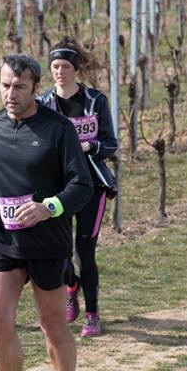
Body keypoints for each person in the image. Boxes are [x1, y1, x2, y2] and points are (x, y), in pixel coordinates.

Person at [0, 54, 93, 371]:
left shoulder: (58, 129)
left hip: (47, 241)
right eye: (5, 85)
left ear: (35, 88)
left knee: (52, 325)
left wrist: (48, 208)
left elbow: (81, 185)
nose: (10, 94)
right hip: (3, 241)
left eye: (19, 87)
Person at [38, 39, 118, 338]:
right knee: (60, 251)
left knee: (85, 251)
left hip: (93, 184)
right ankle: (71, 286)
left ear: (76, 69)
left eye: (66, 67)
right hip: (57, 188)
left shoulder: (96, 101)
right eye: (55, 67)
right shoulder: (44, 104)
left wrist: (89, 146)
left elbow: (111, 144)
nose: (60, 72)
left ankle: (93, 314)